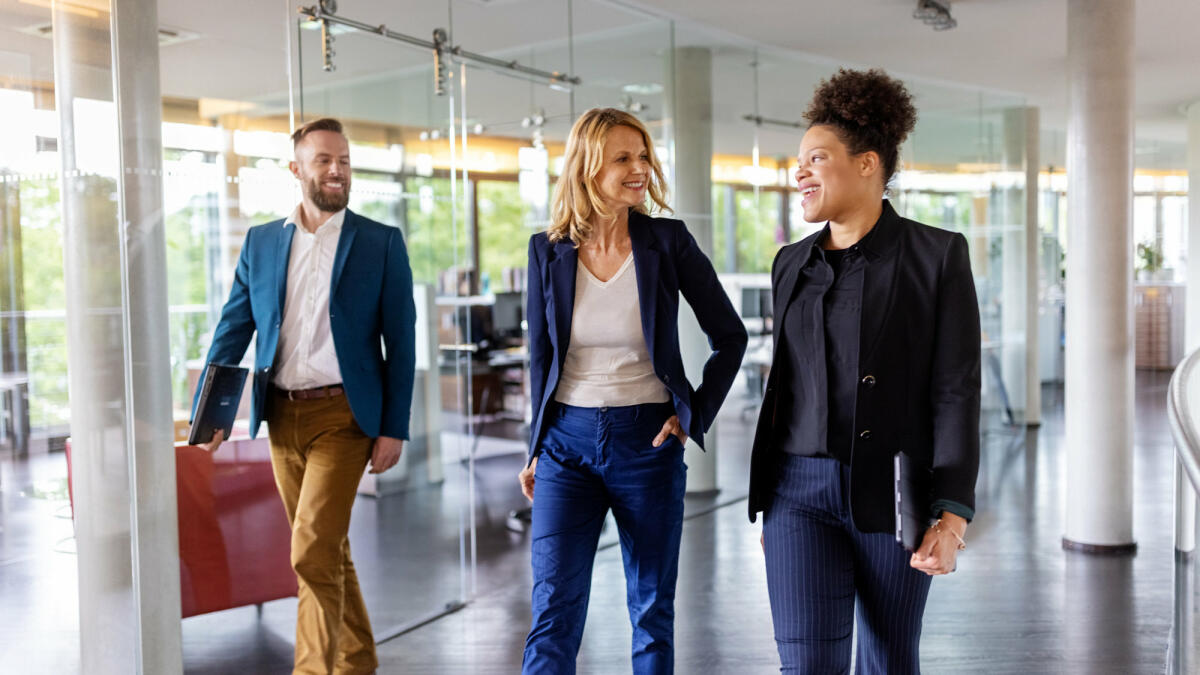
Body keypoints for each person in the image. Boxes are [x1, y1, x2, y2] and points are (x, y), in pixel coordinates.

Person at [747, 69, 981, 674]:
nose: (799, 171)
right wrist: (772, 499)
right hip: (796, 494)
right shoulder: (789, 264)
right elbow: (789, 385)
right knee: (806, 666)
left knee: (888, 660)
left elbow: (956, 390)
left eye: (816, 158)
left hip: (894, 492)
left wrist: (951, 514)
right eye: (798, 160)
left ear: (869, 164)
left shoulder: (937, 256)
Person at [519, 108, 747, 675]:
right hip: (565, 446)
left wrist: (691, 418)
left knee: (650, 612)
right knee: (553, 610)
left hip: (646, 443)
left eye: (643, 156)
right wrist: (535, 447)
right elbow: (540, 358)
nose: (639, 168)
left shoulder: (665, 242)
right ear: (588, 166)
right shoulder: (547, 250)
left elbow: (730, 336)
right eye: (623, 158)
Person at [191, 117, 416, 675]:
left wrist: (394, 426)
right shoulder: (263, 242)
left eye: (344, 160)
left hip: (346, 416)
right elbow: (232, 329)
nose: (337, 170)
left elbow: (403, 341)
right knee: (327, 551)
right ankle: (358, 660)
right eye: (324, 161)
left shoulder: (380, 243)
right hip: (281, 417)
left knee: (310, 549)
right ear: (297, 170)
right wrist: (209, 409)